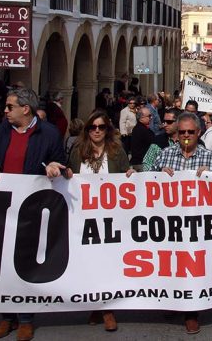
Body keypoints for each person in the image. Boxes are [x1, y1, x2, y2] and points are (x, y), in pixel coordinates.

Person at [0, 88, 68, 341]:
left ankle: (26, 318)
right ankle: (6, 317)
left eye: (10, 107)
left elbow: (61, 164)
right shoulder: (2, 130)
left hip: (31, 207)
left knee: (24, 262)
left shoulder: (49, 133)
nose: (5, 111)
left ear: (26, 109)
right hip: (2, 206)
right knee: (1, 263)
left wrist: (55, 168)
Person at [148, 112, 212, 334]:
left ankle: (191, 313)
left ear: (199, 133)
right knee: (172, 264)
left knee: (193, 267)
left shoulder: (209, 158)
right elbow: (145, 184)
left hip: (198, 228)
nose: (187, 136)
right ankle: (173, 301)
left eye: (191, 132)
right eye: (182, 132)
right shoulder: (164, 155)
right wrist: (157, 176)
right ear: (176, 134)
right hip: (170, 225)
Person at [66, 110, 132, 331]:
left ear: (107, 130)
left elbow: (125, 175)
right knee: (89, 263)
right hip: (84, 217)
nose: (96, 131)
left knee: (107, 263)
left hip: (109, 218)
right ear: (87, 130)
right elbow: (69, 177)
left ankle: (107, 309)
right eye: (92, 127)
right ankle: (95, 303)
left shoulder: (116, 151)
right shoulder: (78, 151)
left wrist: (132, 173)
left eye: (101, 127)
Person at [130, 107, 155, 171]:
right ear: (141, 118)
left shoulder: (139, 128)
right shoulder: (141, 130)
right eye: (149, 116)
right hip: (141, 164)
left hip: (139, 162)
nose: (151, 118)